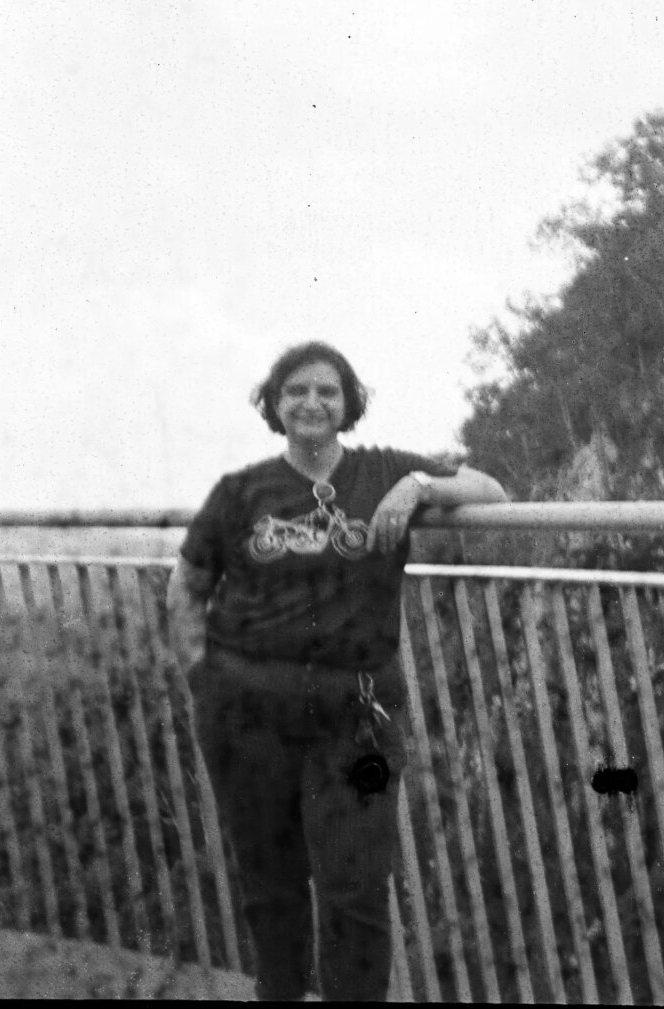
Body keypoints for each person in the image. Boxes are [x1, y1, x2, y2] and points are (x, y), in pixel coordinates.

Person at [166, 341, 507, 1002]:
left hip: (358, 720)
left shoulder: (384, 472)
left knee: (355, 889)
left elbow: (491, 489)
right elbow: (186, 588)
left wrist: (420, 486)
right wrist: (206, 682)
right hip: (246, 715)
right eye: (295, 390)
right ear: (274, 403)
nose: (311, 402)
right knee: (272, 887)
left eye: (327, 390)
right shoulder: (240, 492)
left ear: (350, 402)